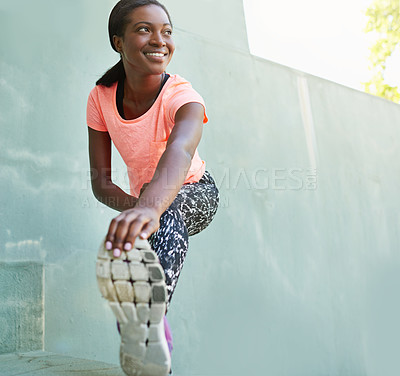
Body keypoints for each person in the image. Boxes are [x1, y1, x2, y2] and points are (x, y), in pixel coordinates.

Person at [86, 1, 219, 375]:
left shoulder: (183, 95)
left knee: (167, 212)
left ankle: (149, 325)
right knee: (152, 226)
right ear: (118, 42)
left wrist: (149, 209)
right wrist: (139, 210)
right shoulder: (100, 97)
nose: (160, 40)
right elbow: (101, 183)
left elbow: (180, 148)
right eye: (144, 29)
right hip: (150, 200)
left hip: (196, 191)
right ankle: (144, 344)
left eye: (167, 31)